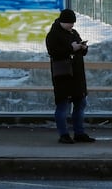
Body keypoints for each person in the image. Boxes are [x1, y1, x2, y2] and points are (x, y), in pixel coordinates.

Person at [45, 8, 95, 144]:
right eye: (69, 23)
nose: (72, 25)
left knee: (81, 103)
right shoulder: (53, 35)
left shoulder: (73, 33)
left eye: (73, 23)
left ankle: (79, 132)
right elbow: (54, 52)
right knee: (63, 105)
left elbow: (79, 50)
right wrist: (71, 49)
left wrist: (83, 48)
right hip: (63, 75)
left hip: (77, 75)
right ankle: (64, 134)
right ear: (62, 22)